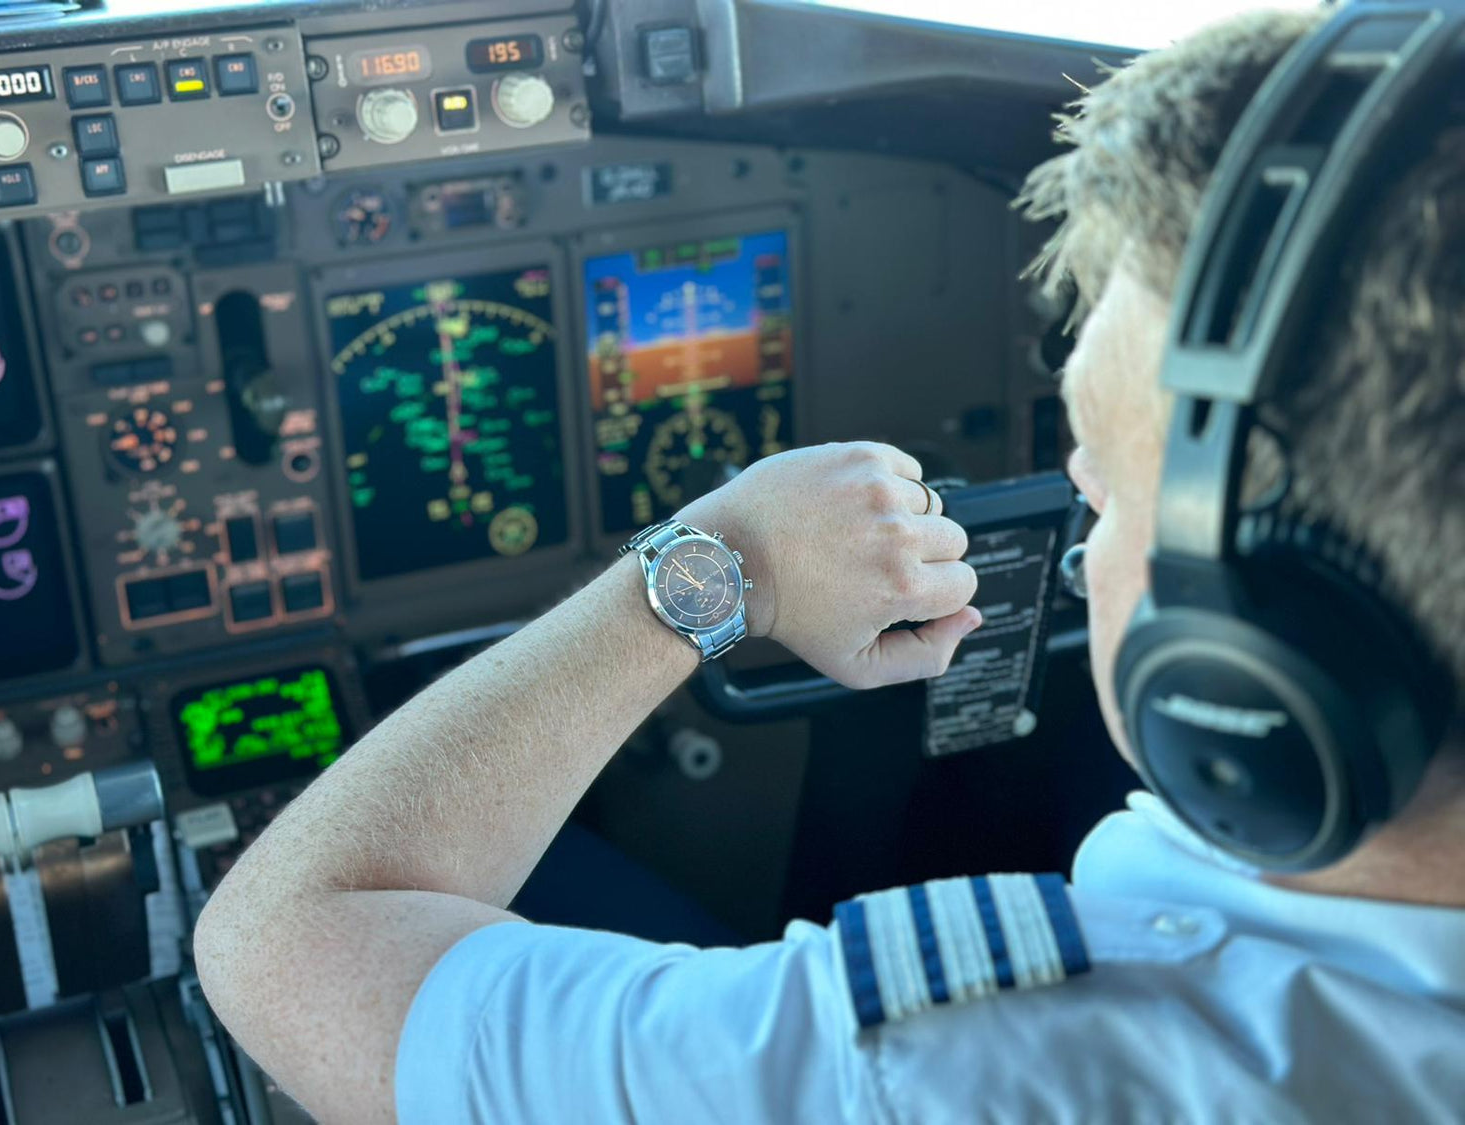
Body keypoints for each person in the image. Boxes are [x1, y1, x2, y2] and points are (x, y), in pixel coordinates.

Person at [194, 8, 1465, 1122]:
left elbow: (284, 942)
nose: (1080, 500)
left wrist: (723, 562)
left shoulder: (964, 1075)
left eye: (1113, 478)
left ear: (1261, 657)